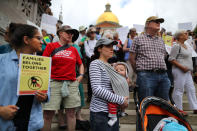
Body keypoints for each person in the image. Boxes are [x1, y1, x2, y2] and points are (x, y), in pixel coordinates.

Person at [0, 23, 49, 131]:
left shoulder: (42, 63)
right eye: (38, 38)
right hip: (5, 124)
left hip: (32, 124)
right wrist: (1, 110)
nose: (42, 41)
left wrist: (44, 96)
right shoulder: (1, 60)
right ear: (26, 40)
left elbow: (46, 92)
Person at [42, 25, 84, 131]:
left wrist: (81, 75)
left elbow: (81, 64)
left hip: (71, 83)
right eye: (68, 32)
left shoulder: (74, 49)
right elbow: (43, 63)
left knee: (71, 114)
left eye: (72, 33)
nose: (71, 35)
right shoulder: (51, 46)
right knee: (48, 114)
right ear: (60, 33)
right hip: (53, 83)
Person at [89, 38, 129, 131]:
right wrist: (120, 99)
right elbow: (96, 89)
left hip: (113, 111)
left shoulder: (111, 66)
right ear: (99, 49)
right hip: (100, 113)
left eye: (112, 46)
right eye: (108, 46)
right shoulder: (96, 64)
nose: (112, 49)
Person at [130, 16, 171, 102]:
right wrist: (139, 72)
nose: (158, 23)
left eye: (159, 22)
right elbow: (132, 58)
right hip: (146, 75)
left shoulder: (161, 40)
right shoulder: (138, 39)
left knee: (163, 104)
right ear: (148, 24)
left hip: (163, 75)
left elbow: (163, 56)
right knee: (147, 104)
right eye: (156, 21)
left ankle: (161, 116)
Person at [168, 30, 197, 114]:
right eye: (185, 33)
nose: (187, 34)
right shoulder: (176, 46)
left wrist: (189, 69)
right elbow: (171, 59)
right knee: (179, 89)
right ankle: (178, 109)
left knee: (191, 89)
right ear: (180, 36)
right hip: (179, 70)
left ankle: (195, 107)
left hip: (187, 71)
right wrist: (182, 67)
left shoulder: (186, 45)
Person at [107, 62, 130, 126]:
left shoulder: (126, 79)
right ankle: (113, 117)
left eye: (121, 70)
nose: (119, 71)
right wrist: (112, 66)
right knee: (112, 104)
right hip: (116, 97)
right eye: (116, 70)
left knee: (124, 104)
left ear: (126, 72)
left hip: (124, 96)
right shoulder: (114, 78)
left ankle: (122, 111)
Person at [84, 27, 97, 102]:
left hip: (97, 59)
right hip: (90, 60)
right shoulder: (87, 42)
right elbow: (87, 51)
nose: (93, 34)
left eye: (95, 32)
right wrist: (92, 57)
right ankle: (89, 95)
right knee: (90, 78)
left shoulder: (97, 41)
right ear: (89, 33)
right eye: (92, 32)